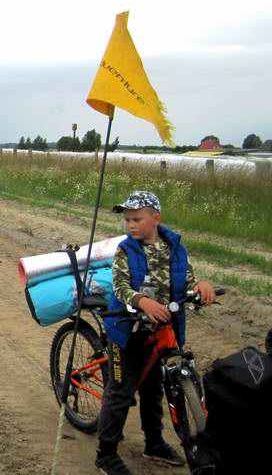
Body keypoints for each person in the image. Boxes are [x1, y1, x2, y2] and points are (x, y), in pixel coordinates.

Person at [95, 191, 216, 475]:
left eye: (136, 219)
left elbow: (186, 278)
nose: (130, 225)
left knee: (153, 389)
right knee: (121, 391)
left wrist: (201, 286)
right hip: (126, 329)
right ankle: (106, 453)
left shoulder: (174, 247)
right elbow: (120, 286)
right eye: (127, 220)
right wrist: (142, 301)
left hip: (163, 330)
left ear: (155, 219)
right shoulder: (126, 250)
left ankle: (154, 442)